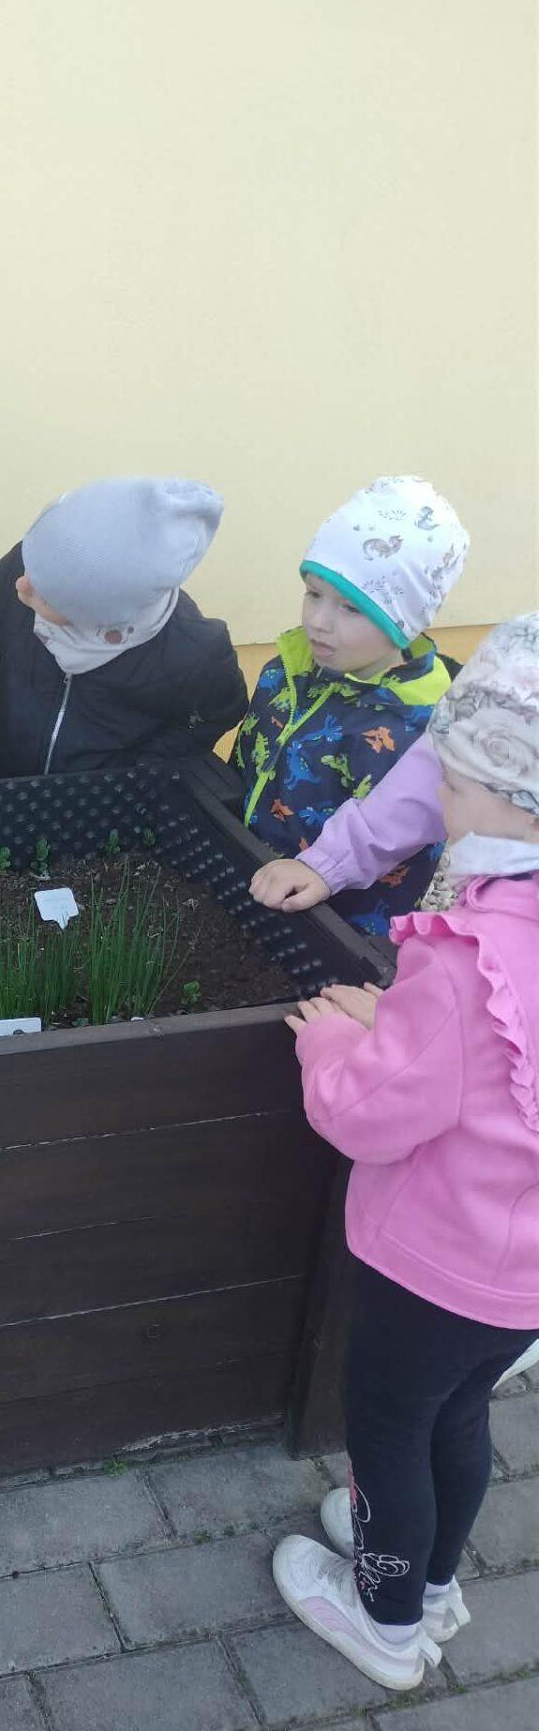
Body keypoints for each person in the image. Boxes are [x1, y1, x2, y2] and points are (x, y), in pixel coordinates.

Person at [275, 614, 539, 1691]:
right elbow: (497, 1075)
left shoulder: (469, 959)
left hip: (436, 1261)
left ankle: (384, 1617)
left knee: (385, 1427)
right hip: (521, 1280)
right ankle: (428, 1576)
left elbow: (371, 1113)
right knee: (459, 1412)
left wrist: (335, 1041)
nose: (444, 801)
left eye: (456, 784)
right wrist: (399, 1025)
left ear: (512, 801)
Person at [231, 476, 468, 933]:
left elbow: (394, 826)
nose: (318, 621)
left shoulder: (412, 726)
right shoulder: (287, 671)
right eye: (313, 594)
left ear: (402, 623)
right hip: (253, 873)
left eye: (352, 608)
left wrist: (323, 872)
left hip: (341, 918)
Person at [0, 476, 245, 780]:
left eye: (45, 596)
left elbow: (221, 711)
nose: (21, 585)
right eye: (30, 565)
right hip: (4, 779)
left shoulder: (193, 652)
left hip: (107, 795)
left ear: (98, 615)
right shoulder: (27, 565)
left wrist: (148, 766)